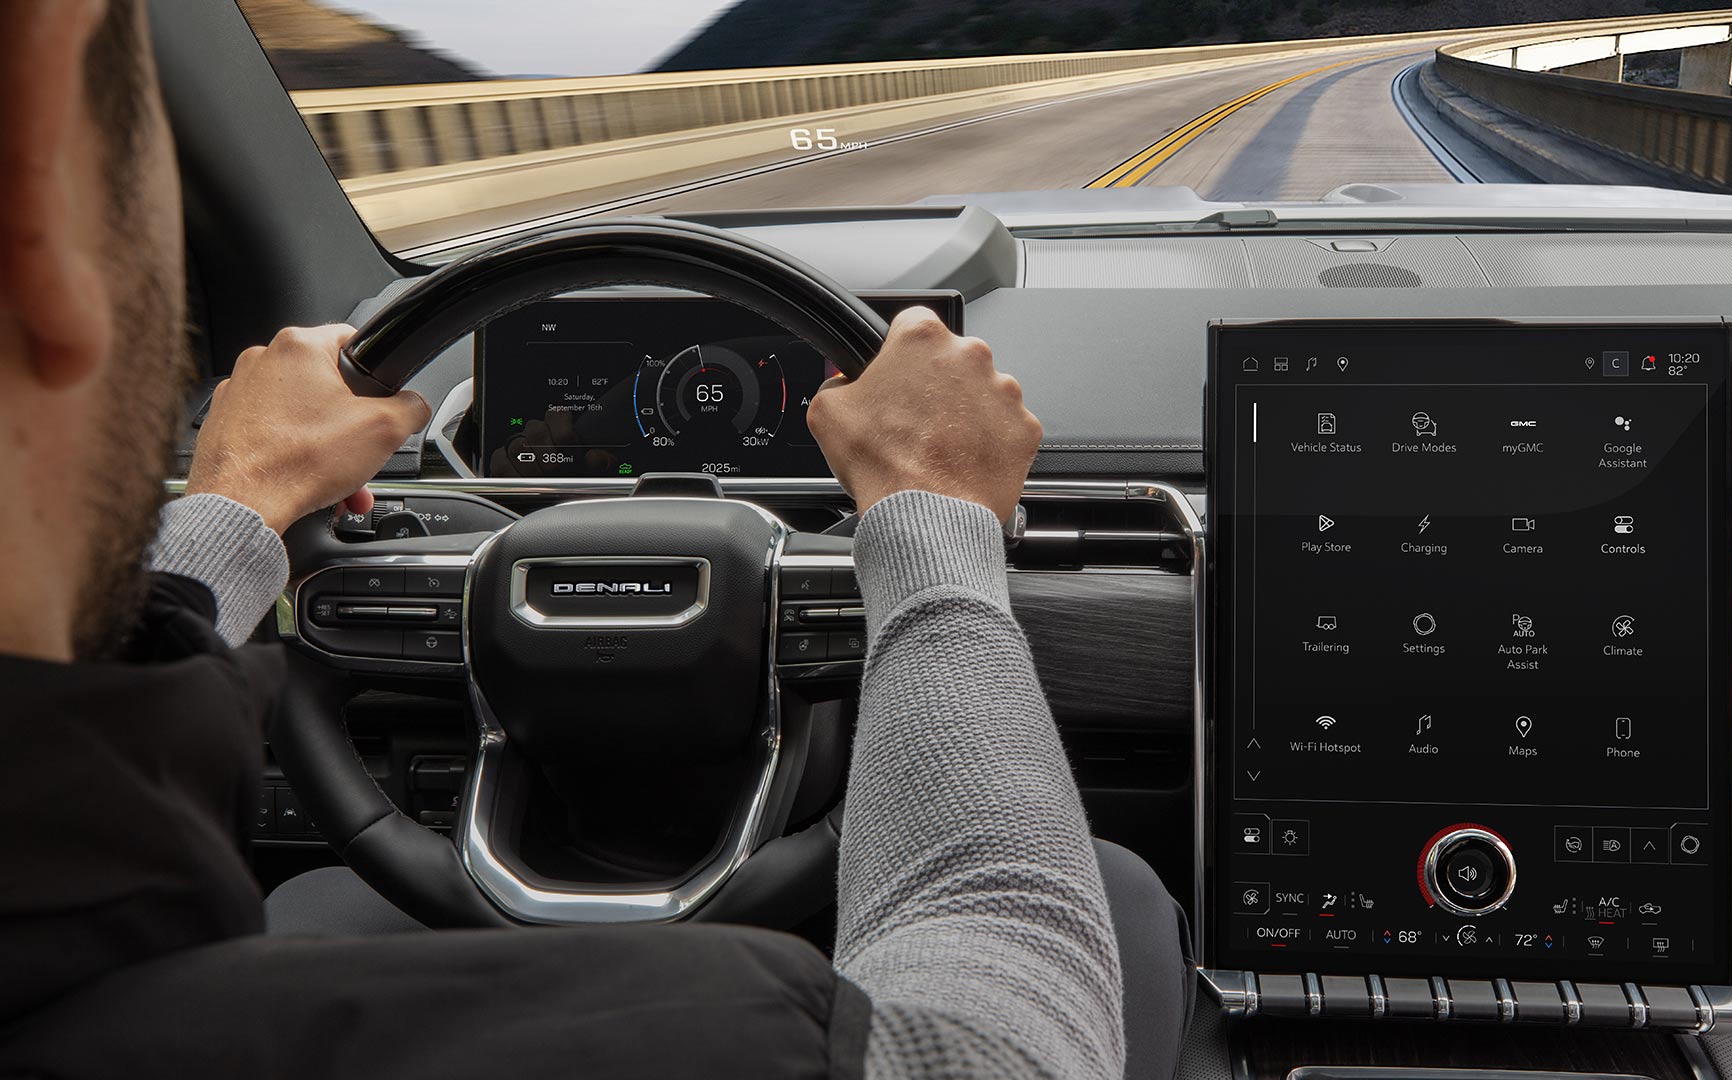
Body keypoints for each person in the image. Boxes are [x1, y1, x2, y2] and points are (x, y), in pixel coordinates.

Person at [0, 3, 1190, 1078]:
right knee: (1125, 902)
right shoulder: (735, 1044)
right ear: (39, 151)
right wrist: (933, 519)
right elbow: (999, 1035)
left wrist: (239, 503)